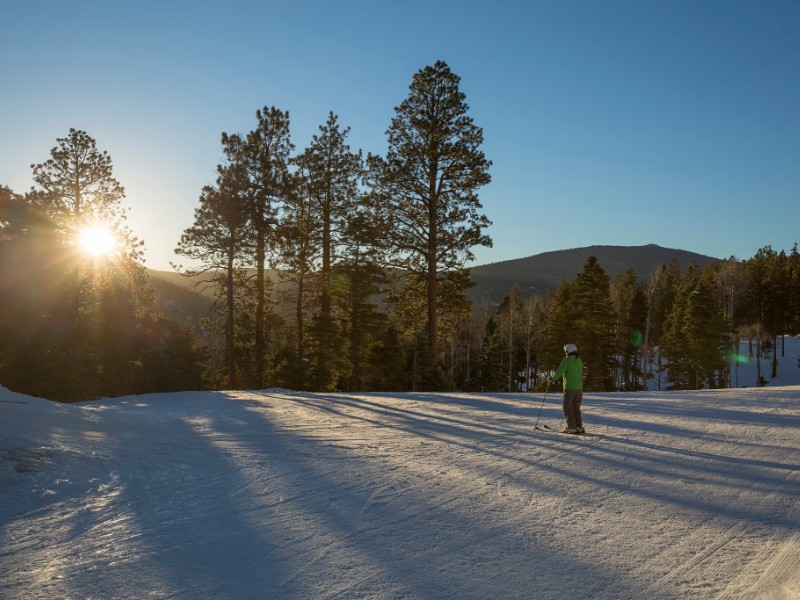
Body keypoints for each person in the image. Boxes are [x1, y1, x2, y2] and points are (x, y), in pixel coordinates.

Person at [550, 343, 585, 434]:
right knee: (576, 408)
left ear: (567, 351)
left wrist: (552, 379)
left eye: (565, 350)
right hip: (579, 388)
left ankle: (572, 427)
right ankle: (579, 427)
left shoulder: (566, 361)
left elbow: (559, 372)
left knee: (567, 408)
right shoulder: (579, 360)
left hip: (569, 388)